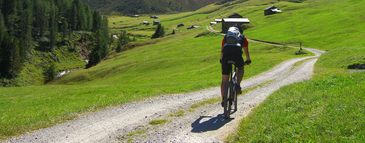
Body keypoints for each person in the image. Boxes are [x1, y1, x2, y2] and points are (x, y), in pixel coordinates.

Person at [220, 23, 251, 106]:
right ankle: (237, 85)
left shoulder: (226, 37)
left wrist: (221, 59)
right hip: (237, 57)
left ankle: (223, 100)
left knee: (224, 81)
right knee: (240, 68)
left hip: (226, 57)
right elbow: (246, 51)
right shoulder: (243, 37)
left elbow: (222, 49)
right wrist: (248, 60)